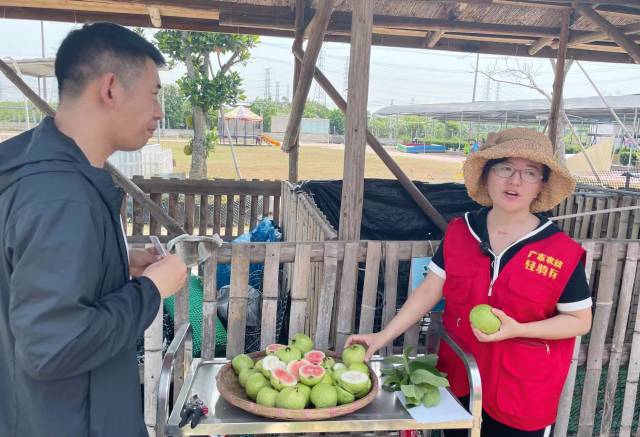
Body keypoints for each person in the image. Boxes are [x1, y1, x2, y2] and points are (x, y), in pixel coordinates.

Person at [0, 23, 187, 437]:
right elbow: (52, 348)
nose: (159, 112)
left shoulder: (30, 166)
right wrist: (151, 289)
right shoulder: (61, 197)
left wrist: (117, 268)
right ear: (110, 89)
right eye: (155, 93)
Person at [346, 128, 592, 436]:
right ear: (488, 175)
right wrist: (382, 337)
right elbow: (429, 290)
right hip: (460, 378)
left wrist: (518, 330)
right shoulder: (461, 231)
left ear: (541, 185)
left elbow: (579, 321)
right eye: (505, 168)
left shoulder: (560, 252)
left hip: (524, 393)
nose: (515, 181)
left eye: (529, 173)